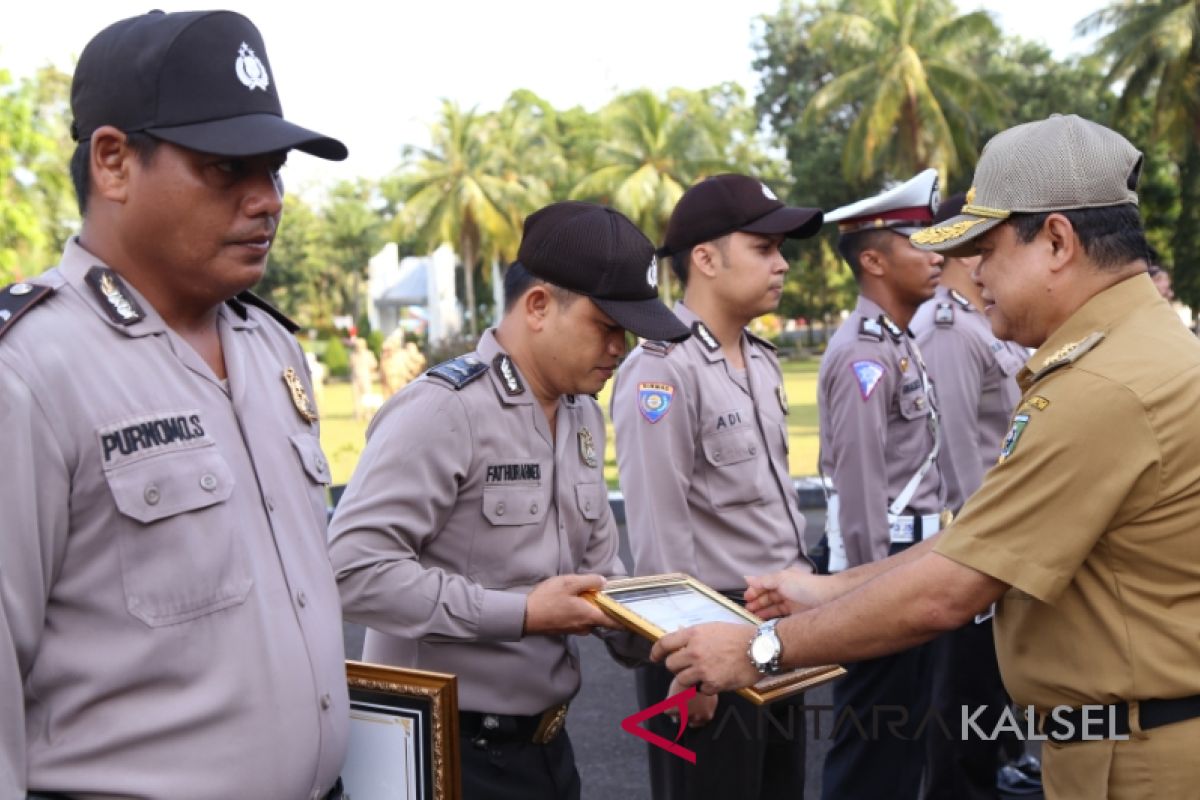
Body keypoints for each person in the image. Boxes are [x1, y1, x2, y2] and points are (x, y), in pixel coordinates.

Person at [651, 114, 1200, 800]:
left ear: (1057, 241)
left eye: (985, 247)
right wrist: (826, 590)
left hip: (1140, 761)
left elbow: (953, 586)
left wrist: (759, 650)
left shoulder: (1103, 384)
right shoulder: (1133, 355)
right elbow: (977, 541)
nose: (967, 269)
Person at [0, 10, 350, 799]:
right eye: (228, 168)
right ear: (115, 162)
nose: (268, 200)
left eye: (275, 169)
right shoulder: (29, 369)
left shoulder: (271, 349)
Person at [328, 201, 690, 800]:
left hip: (546, 749)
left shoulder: (580, 416)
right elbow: (352, 571)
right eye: (607, 325)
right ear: (539, 306)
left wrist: (665, 633)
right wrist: (521, 613)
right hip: (443, 755)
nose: (620, 347)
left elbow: (601, 572)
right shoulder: (445, 410)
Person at [610, 174, 822, 800]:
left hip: (774, 627)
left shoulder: (760, 358)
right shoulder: (660, 369)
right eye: (763, 248)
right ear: (704, 258)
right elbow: (658, 536)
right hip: (704, 637)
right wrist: (688, 671)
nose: (781, 264)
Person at [805, 169, 946, 799]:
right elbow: (860, 496)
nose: (937, 254)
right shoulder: (864, 354)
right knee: (871, 752)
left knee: (903, 746)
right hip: (883, 567)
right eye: (919, 242)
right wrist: (865, 603)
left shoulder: (896, 342)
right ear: (873, 260)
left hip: (911, 561)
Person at [910, 193, 1038, 799]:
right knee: (962, 690)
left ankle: (1000, 758)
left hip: (1002, 532)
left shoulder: (983, 324)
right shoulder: (948, 331)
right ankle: (968, 779)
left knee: (992, 677)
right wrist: (970, 543)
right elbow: (955, 449)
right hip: (976, 535)